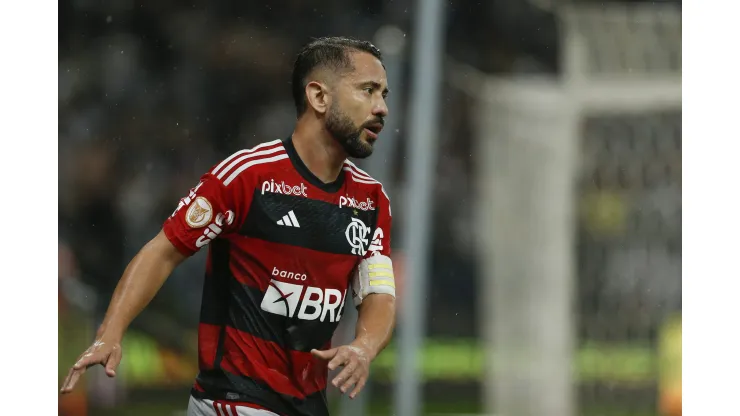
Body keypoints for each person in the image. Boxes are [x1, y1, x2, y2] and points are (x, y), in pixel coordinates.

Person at [60, 36, 397, 416]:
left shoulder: (372, 200)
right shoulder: (247, 176)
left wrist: (364, 346)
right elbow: (164, 251)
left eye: (384, 94)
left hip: (306, 405)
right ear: (319, 97)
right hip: (234, 400)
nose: (382, 107)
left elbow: (378, 293)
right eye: (367, 90)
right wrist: (111, 332)